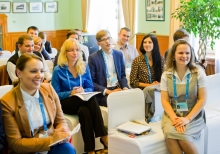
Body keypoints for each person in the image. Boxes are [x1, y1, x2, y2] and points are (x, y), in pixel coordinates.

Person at [1, 54, 76, 154]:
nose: (39, 75)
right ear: (19, 73)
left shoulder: (48, 89)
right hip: (27, 150)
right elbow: (15, 143)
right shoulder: (7, 102)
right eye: (33, 71)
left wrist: (61, 131)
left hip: (51, 143)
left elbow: (60, 120)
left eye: (41, 71)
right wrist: (51, 140)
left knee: (67, 149)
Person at [51, 38, 108, 154]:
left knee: (84, 111)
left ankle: (90, 150)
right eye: (71, 50)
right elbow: (55, 94)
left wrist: (83, 90)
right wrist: (70, 93)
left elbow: (90, 87)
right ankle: (103, 136)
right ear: (65, 53)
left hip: (82, 101)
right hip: (66, 102)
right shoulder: (58, 70)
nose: (75, 53)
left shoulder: (83, 66)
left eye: (77, 50)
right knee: (91, 100)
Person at [160, 39, 207, 154]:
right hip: (173, 113)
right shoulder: (166, 74)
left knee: (184, 139)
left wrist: (187, 119)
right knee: (170, 137)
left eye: (187, 53)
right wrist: (175, 119)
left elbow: (202, 99)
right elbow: (165, 101)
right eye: (180, 53)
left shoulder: (198, 72)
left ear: (191, 55)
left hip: (193, 114)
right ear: (173, 55)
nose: (184, 56)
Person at [88, 30, 129, 107]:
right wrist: (108, 91)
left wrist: (125, 87)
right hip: (104, 93)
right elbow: (91, 82)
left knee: (132, 98)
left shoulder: (118, 54)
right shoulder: (93, 58)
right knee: (117, 102)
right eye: (104, 39)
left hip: (118, 89)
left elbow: (122, 75)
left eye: (109, 38)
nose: (107, 41)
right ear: (98, 43)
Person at [130, 34, 164, 121]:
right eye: (144, 42)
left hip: (158, 91)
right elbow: (133, 82)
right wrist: (149, 85)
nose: (146, 44)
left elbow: (165, 78)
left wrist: (157, 85)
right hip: (143, 92)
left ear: (154, 44)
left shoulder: (160, 60)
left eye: (150, 42)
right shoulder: (137, 60)